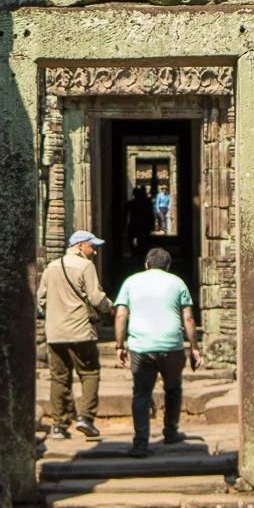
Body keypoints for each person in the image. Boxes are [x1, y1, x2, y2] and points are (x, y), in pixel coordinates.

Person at [114, 246, 199, 457]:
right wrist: (194, 347)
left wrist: (120, 344)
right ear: (168, 266)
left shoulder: (131, 282)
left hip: (141, 347)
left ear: (146, 264)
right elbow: (188, 318)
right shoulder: (177, 282)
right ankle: (170, 431)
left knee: (141, 393)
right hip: (171, 345)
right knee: (173, 388)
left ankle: (140, 442)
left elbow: (121, 315)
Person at [36, 230, 114, 440]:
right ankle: (86, 417)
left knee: (59, 377)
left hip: (55, 332)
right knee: (89, 372)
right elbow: (96, 298)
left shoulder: (52, 267)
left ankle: (59, 425)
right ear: (80, 246)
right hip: (81, 331)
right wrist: (111, 307)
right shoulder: (85, 266)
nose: (95, 252)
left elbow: (41, 298)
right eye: (92, 246)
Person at [127, 184, 155, 259]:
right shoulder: (134, 203)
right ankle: (140, 253)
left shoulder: (135, 203)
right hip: (138, 225)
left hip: (140, 225)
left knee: (140, 240)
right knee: (139, 240)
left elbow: (150, 214)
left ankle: (139, 253)